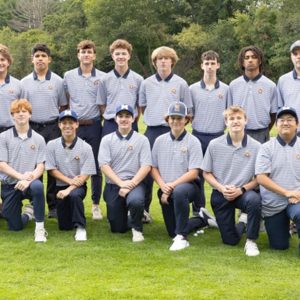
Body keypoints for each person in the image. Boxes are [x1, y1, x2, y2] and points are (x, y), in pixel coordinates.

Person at [151, 102, 216, 251]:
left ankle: (182, 237)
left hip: (189, 187)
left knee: (179, 192)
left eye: (180, 118)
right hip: (165, 187)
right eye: (172, 118)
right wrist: (163, 186)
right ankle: (201, 220)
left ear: (186, 120)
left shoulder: (193, 141)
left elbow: (193, 172)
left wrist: (171, 186)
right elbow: (153, 167)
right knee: (171, 231)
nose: (176, 121)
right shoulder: (159, 141)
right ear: (167, 120)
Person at [139, 46, 192, 221]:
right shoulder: (146, 83)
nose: (163, 61)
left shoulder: (181, 83)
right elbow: (142, 106)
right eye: (159, 59)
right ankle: (144, 209)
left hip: (174, 131)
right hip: (153, 131)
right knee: (147, 170)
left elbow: (188, 110)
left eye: (166, 58)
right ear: (154, 62)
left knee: (178, 168)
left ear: (172, 62)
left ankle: (184, 207)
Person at [201, 105, 261, 256]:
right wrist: (221, 188)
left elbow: (260, 178)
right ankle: (242, 222)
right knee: (230, 241)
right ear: (226, 122)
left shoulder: (257, 147)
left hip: (244, 192)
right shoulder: (214, 144)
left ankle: (251, 241)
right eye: (231, 119)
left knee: (254, 200)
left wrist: (241, 189)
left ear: (245, 121)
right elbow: (206, 173)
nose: (235, 121)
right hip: (221, 193)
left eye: (239, 118)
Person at [21, 43, 68, 219]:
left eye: (43, 56)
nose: (40, 59)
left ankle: (53, 205)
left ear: (49, 59)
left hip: (52, 127)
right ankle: (34, 203)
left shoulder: (58, 81)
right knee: (34, 166)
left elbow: (63, 105)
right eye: (37, 56)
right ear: (32, 59)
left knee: (52, 167)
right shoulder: (24, 82)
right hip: (32, 128)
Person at [64, 40, 106, 221]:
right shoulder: (68, 76)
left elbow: (104, 103)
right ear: (78, 55)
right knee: (73, 164)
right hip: (75, 127)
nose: (86, 55)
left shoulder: (103, 77)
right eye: (83, 52)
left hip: (95, 125)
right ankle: (72, 199)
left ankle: (95, 204)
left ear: (94, 55)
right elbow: (65, 101)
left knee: (96, 166)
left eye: (89, 52)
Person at [98, 104, 151, 242]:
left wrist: (130, 184)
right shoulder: (107, 140)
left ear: (133, 119)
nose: (124, 119)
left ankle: (137, 229)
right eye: (120, 116)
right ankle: (131, 216)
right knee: (117, 228)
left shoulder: (142, 140)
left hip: (135, 183)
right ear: (115, 119)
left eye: (127, 116)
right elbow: (104, 165)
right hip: (114, 184)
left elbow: (146, 166)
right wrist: (121, 183)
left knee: (135, 201)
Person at [0, 99, 47, 242]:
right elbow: (2, 164)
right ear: (12, 116)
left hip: (30, 183)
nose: (21, 114)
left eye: (24, 111)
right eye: (17, 112)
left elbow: (41, 166)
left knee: (38, 187)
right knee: (15, 226)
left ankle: (40, 229)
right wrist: (21, 177)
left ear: (30, 115)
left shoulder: (39, 139)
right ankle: (28, 214)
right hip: (10, 184)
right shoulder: (3, 137)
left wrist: (29, 179)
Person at [46, 110, 96, 241]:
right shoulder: (52, 145)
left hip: (78, 186)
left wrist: (69, 189)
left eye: (71, 123)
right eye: (64, 123)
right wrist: (68, 181)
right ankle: (70, 221)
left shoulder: (86, 147)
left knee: (74, 195)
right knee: (64, 226)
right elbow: (52, 170)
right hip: (60, 186)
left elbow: (86, 173)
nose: (67, 126)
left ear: (77, 124)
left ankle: (81, 227)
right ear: (59, 125)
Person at [256, 106, 300, 254]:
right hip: (274, 202)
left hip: (297, 199)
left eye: (290, 120)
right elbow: (261, 177)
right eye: (281, 120)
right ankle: (285, 228)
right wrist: (287, 192)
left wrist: (296, 193)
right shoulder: (266, 147)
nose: (285, 123)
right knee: (279, 245)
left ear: (297, 124)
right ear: (276, 124)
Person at [189, 50, 228, 214]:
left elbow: (230, 113)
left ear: (218, 65)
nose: (210, 67)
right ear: (202, 66)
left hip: (219, 137)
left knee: (218, 175)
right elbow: (189, 114)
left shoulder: (226, 89)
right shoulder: (192, 89)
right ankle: (199, 211)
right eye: (207, 63)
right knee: (197, 176)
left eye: (213, 63)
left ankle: (221, 210)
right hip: (198, 136)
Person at [228, 45, 277, 143]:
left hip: (262, 133)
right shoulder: (233, 85)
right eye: (247, 58)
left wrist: (264, 130)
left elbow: (273, 113)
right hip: (240, 132)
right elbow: (230, 112)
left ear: (260, 61)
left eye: (254, 57)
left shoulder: (270, 85)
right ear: (242, 62)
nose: (250, 60)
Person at [97, 39, 143, 136]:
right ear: (113, 56)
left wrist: (132, 119)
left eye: (123, 54)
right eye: (117, 54)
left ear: (129, 56)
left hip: (131, 123)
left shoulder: (138, 79)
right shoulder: (104, 79)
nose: (120, 57)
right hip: (110, 124)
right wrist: (111, 116)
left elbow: (139, 105)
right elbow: (101, 104)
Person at [277, 41, 300, 136]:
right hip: (291, 135)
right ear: (291, 57)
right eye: (295, 54)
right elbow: (279, 108)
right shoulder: (283, 80)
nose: (298, 56)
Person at [0, 44, 22, 134]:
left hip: (12, 131)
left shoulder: (18, 84)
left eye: (2, 60)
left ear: (8, 62)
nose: (0, 63)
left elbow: (23, 109)